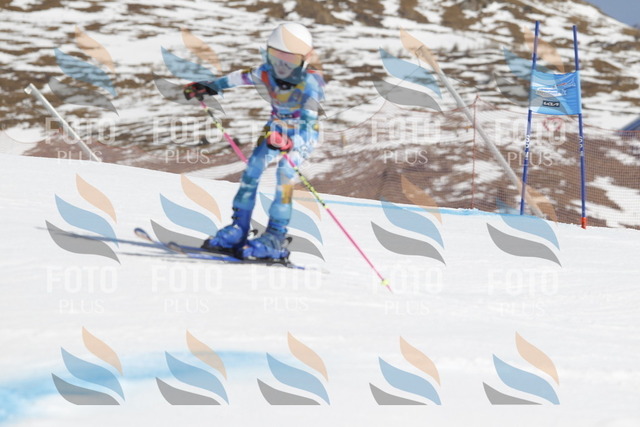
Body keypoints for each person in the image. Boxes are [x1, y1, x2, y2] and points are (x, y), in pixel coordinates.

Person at [183, 22, 325, 260]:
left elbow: (309, 120)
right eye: (276, 58)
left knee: (284, 173)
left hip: (303, 133)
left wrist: (291, 142)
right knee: (252, 169)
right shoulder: (265, 72)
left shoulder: (311, 83)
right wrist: (208, 87)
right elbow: (237, 78)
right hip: (276, 128)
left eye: (290, 60)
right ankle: (239, 228)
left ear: (306, 58)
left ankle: (275, 237)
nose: (281, 67)